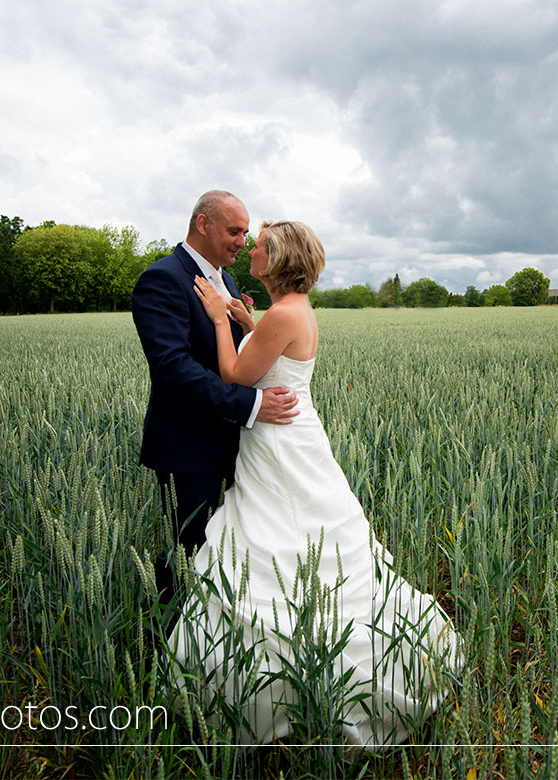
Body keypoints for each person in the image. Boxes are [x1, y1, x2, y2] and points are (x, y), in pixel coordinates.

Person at [169, 219, 462, 746]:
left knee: (279, 533)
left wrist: (219, 320)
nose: (249, 253)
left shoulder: (284, 313)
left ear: (277, 259)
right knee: (305, 535)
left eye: (257, 247)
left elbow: (236, 374)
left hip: (278, 441)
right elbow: (275, 352)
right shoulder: (290, 310)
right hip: (292, 432)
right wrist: (246, 318)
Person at [131, 191, 299, 615]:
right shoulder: (163, 278)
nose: (243, 242)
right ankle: (167, 639)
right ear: (202, 224)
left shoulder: (228, 280)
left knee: (233, 552)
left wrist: (245, 326)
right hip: (189, 448)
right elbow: (173, 368)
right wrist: (251, 404)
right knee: (192, 554)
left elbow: (239, 358)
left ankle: (222, 639)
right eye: (234, 231)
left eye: (246, 233)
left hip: (241, 448)